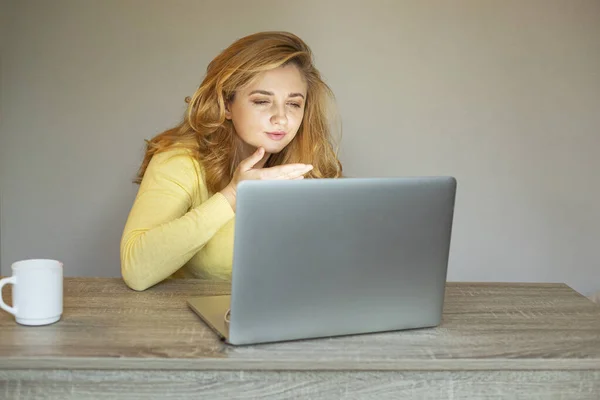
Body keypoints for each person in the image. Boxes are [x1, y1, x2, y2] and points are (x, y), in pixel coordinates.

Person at [120, 31, 343, 291]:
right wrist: (232, 195)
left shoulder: (308, 161)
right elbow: (136, 270)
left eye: (293, 104)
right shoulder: (179, 161)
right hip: (188, 320)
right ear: (226, 105)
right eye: (262, 101)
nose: (280, 118)